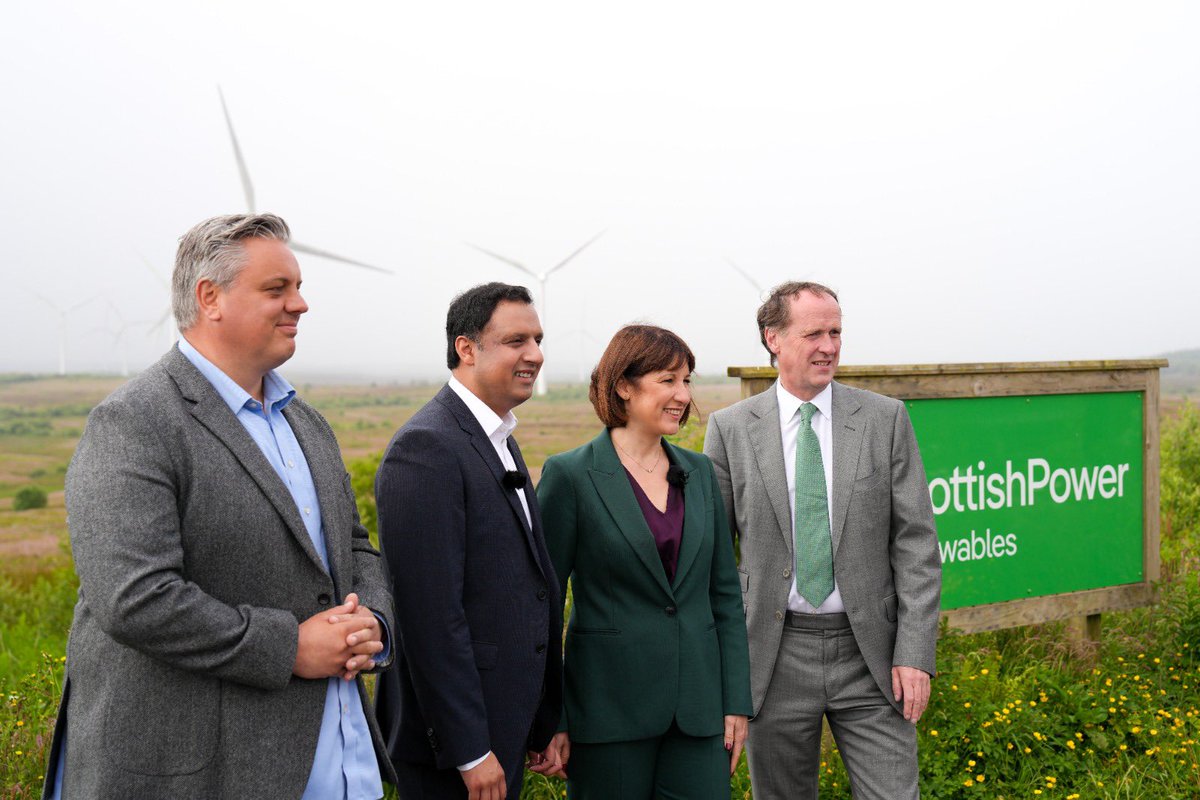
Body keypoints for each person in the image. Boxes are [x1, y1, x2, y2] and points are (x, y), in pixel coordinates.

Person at [41, 213, 395, 800]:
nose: (300, 304)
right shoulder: (134, 422)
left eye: (299, 287)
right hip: (207, 774)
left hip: (338, 754)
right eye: (277, 289)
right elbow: (134, 597)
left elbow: (354, 547)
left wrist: (373, 624)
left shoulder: (307, 423)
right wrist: (290, 648)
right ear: (211, 298)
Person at [703, 281, 941, 800]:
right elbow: (715, 559)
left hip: (874, 656)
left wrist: (916, 652)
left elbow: (917, 545)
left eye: (836, 332)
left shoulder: (885, 419)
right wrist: (721, 671)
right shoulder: (730, 430)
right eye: (814, 333)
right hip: (773, 654)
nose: (829, 346)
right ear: (773, 339)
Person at [537, 324, 752, 799]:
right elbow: (541, 605)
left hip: (699, 713)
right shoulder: (570, 476)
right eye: (668, 380)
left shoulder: (699, 473)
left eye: (688, 381)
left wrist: (736, 701)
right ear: (623, 387)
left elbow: (724, 595)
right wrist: (554, 715)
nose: (683, 395)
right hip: (605, 714)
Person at [373, 282, 562, 800]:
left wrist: (543, 718)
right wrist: (470, 750)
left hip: (502, 724)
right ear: (466, 348)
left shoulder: (497, 437)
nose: (535, 355)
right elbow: (429, 617)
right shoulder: (426, 447)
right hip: (455, 747)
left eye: (538, 339)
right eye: (516, 341)